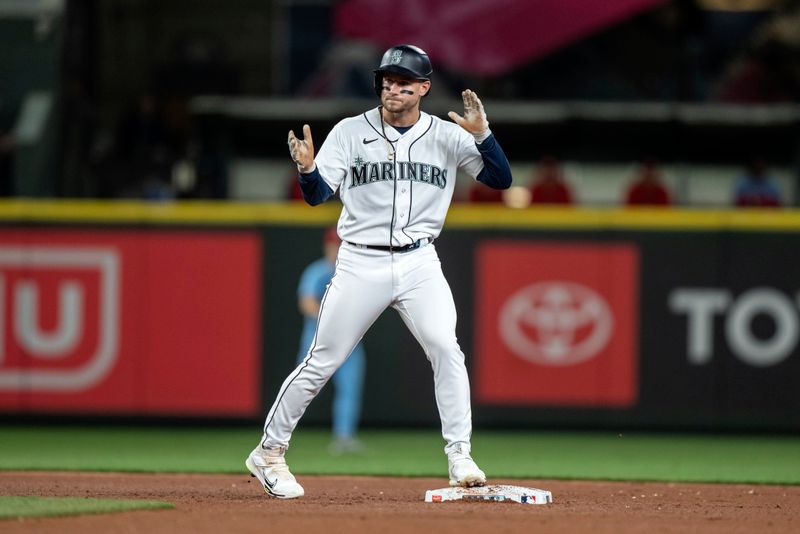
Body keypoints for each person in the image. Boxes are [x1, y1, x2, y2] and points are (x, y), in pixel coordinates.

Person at [245, 44, 512, 499]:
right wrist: (308, 170)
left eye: (403, 83)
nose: (392, 90)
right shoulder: (350, 132)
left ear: (424, 88)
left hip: (419, 260)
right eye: (386, 82)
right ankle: (269, 453)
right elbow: (317, 195)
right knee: (322, 360)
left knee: (446, 348)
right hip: (360, 259)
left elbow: (500, 180)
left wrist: (484, 136)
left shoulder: (445, 135)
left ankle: (460, 456)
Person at [297, 227, 366, 454]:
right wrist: (333, 317)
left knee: (349, 389)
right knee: (302, 387)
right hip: (317, 341)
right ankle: (280, 436)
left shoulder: (355, 273)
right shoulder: (317, 271)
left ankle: (344, 438)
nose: (335, 249)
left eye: (340, 245)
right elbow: (306, 303)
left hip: (349, 343)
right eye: (333, 245)